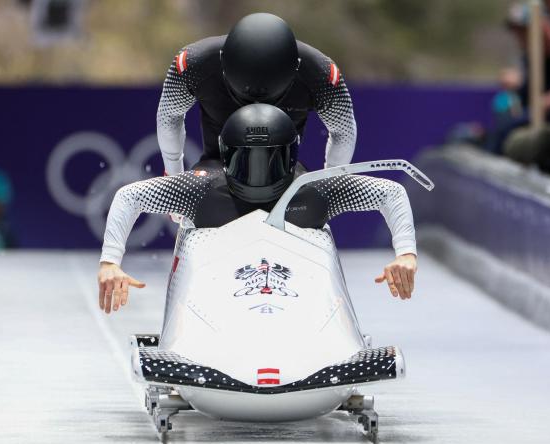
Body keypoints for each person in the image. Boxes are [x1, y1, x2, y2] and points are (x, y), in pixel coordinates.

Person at [99, 104, 417, 314]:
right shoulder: (200, 187)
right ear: (226, 157)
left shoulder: (316, 188)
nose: (258, 173)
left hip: (297, 294)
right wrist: (110, 262)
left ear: (289, 156)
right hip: (220, 293)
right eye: (246, 161)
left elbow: (390, 193)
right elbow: (130, 197)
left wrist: (405, 254)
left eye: (270, 160)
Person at [156, 12, 357, 176]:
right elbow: (169, 114)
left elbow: (343, 131)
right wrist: (173, 177)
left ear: (295, 70)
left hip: (282, 169)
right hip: (218, 165)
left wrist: (331, 185)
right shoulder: (193, 63)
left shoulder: (321, 74)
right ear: (223, 62)